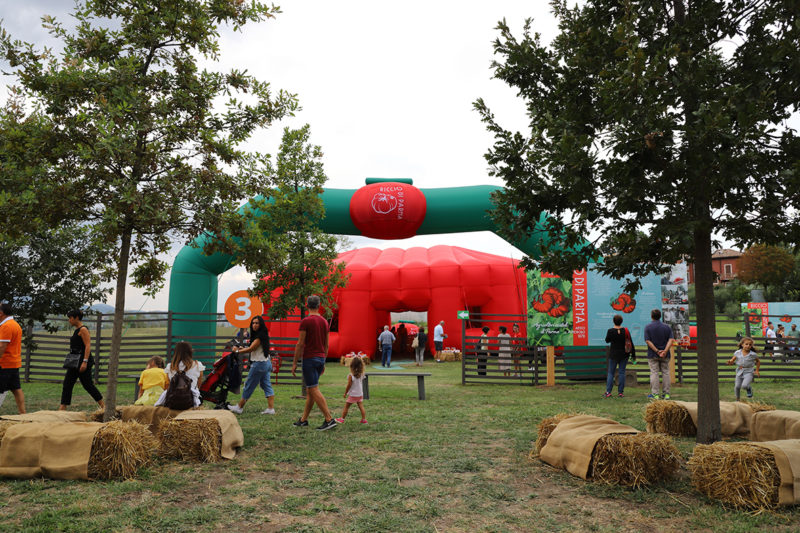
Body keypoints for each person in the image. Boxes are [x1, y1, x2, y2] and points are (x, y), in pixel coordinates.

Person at [291, 295, 337, 431]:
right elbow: (326, 344)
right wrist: (323, 361)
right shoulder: (324, 322)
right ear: (319, 305)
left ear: (307, 306)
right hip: (320, 358)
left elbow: (300, 344)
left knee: (313, 389)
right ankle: (303, 420)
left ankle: (329, 419)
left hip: (309, 359)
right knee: (311, 390)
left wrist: (294, 362)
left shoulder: (306, 321)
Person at [228, 315, 275, 415]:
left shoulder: (259, 337)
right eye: (253, 323)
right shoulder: (261, 335)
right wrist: (241, 348)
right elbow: (252, 348)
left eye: (257, 323)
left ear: (261, 324)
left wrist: (237, 352)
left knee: (248, 385)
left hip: (259, 364)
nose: (254, 325)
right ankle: (271, 409)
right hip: (266, 363)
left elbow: (251, 349)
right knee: (266, 385)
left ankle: (239, 407)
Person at [59, 309, 105, 411]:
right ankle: (62, 408)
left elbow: (88, 346)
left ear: (76, 318)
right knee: (67, 384)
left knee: (88, 385)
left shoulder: (83, 329)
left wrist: (84, 362)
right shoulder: (77, 330)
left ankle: (103, 406)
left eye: (70, 318)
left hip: (83, 362)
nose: (69, 320)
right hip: (74, 362)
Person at [155, 341, 205, 408]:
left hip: (173, 399)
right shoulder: (198, 365)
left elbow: (170, 384)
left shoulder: (170, 366)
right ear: (190, 352)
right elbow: (198, 385)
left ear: (176, 352)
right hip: (191, 400)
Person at [0, 303, 25, 413]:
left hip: (4, 363)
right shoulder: (15, 324)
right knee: (16, 389)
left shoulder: (6, 326)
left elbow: (2, 346)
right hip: (14, 362)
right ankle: (23, 413)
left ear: (1, 313)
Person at [644, 309, 674, 400]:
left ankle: (655, 394)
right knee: (665, 372)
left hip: (653, 354)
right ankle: (666, 394)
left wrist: (657, 351)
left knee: (654, 373)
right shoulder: (667, 327)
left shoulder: (648, 327)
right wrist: (664, 351)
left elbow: (648, 341)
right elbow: (671, 340)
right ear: (660, 316)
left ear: (651, 316)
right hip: (665, 355)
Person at [604, 314, 634, 398]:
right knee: (622, 372)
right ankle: (620, 392)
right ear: (621, 321)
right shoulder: (625, 330)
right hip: (624, 354)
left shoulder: (610, 331)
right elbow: (630, 341)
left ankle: (608, 392)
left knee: (610, 373)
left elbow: (607, 340)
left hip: (613, 354)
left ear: (613, 321)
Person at [335, 356, 367, 424]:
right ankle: (364, 420)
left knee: (346, 407)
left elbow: (349, 385)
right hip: (360, 394)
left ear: (351, 365)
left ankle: (342, 419)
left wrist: (345, 393)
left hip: (353, 394)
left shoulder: (351, 375)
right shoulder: (361, 374)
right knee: (361, 406)